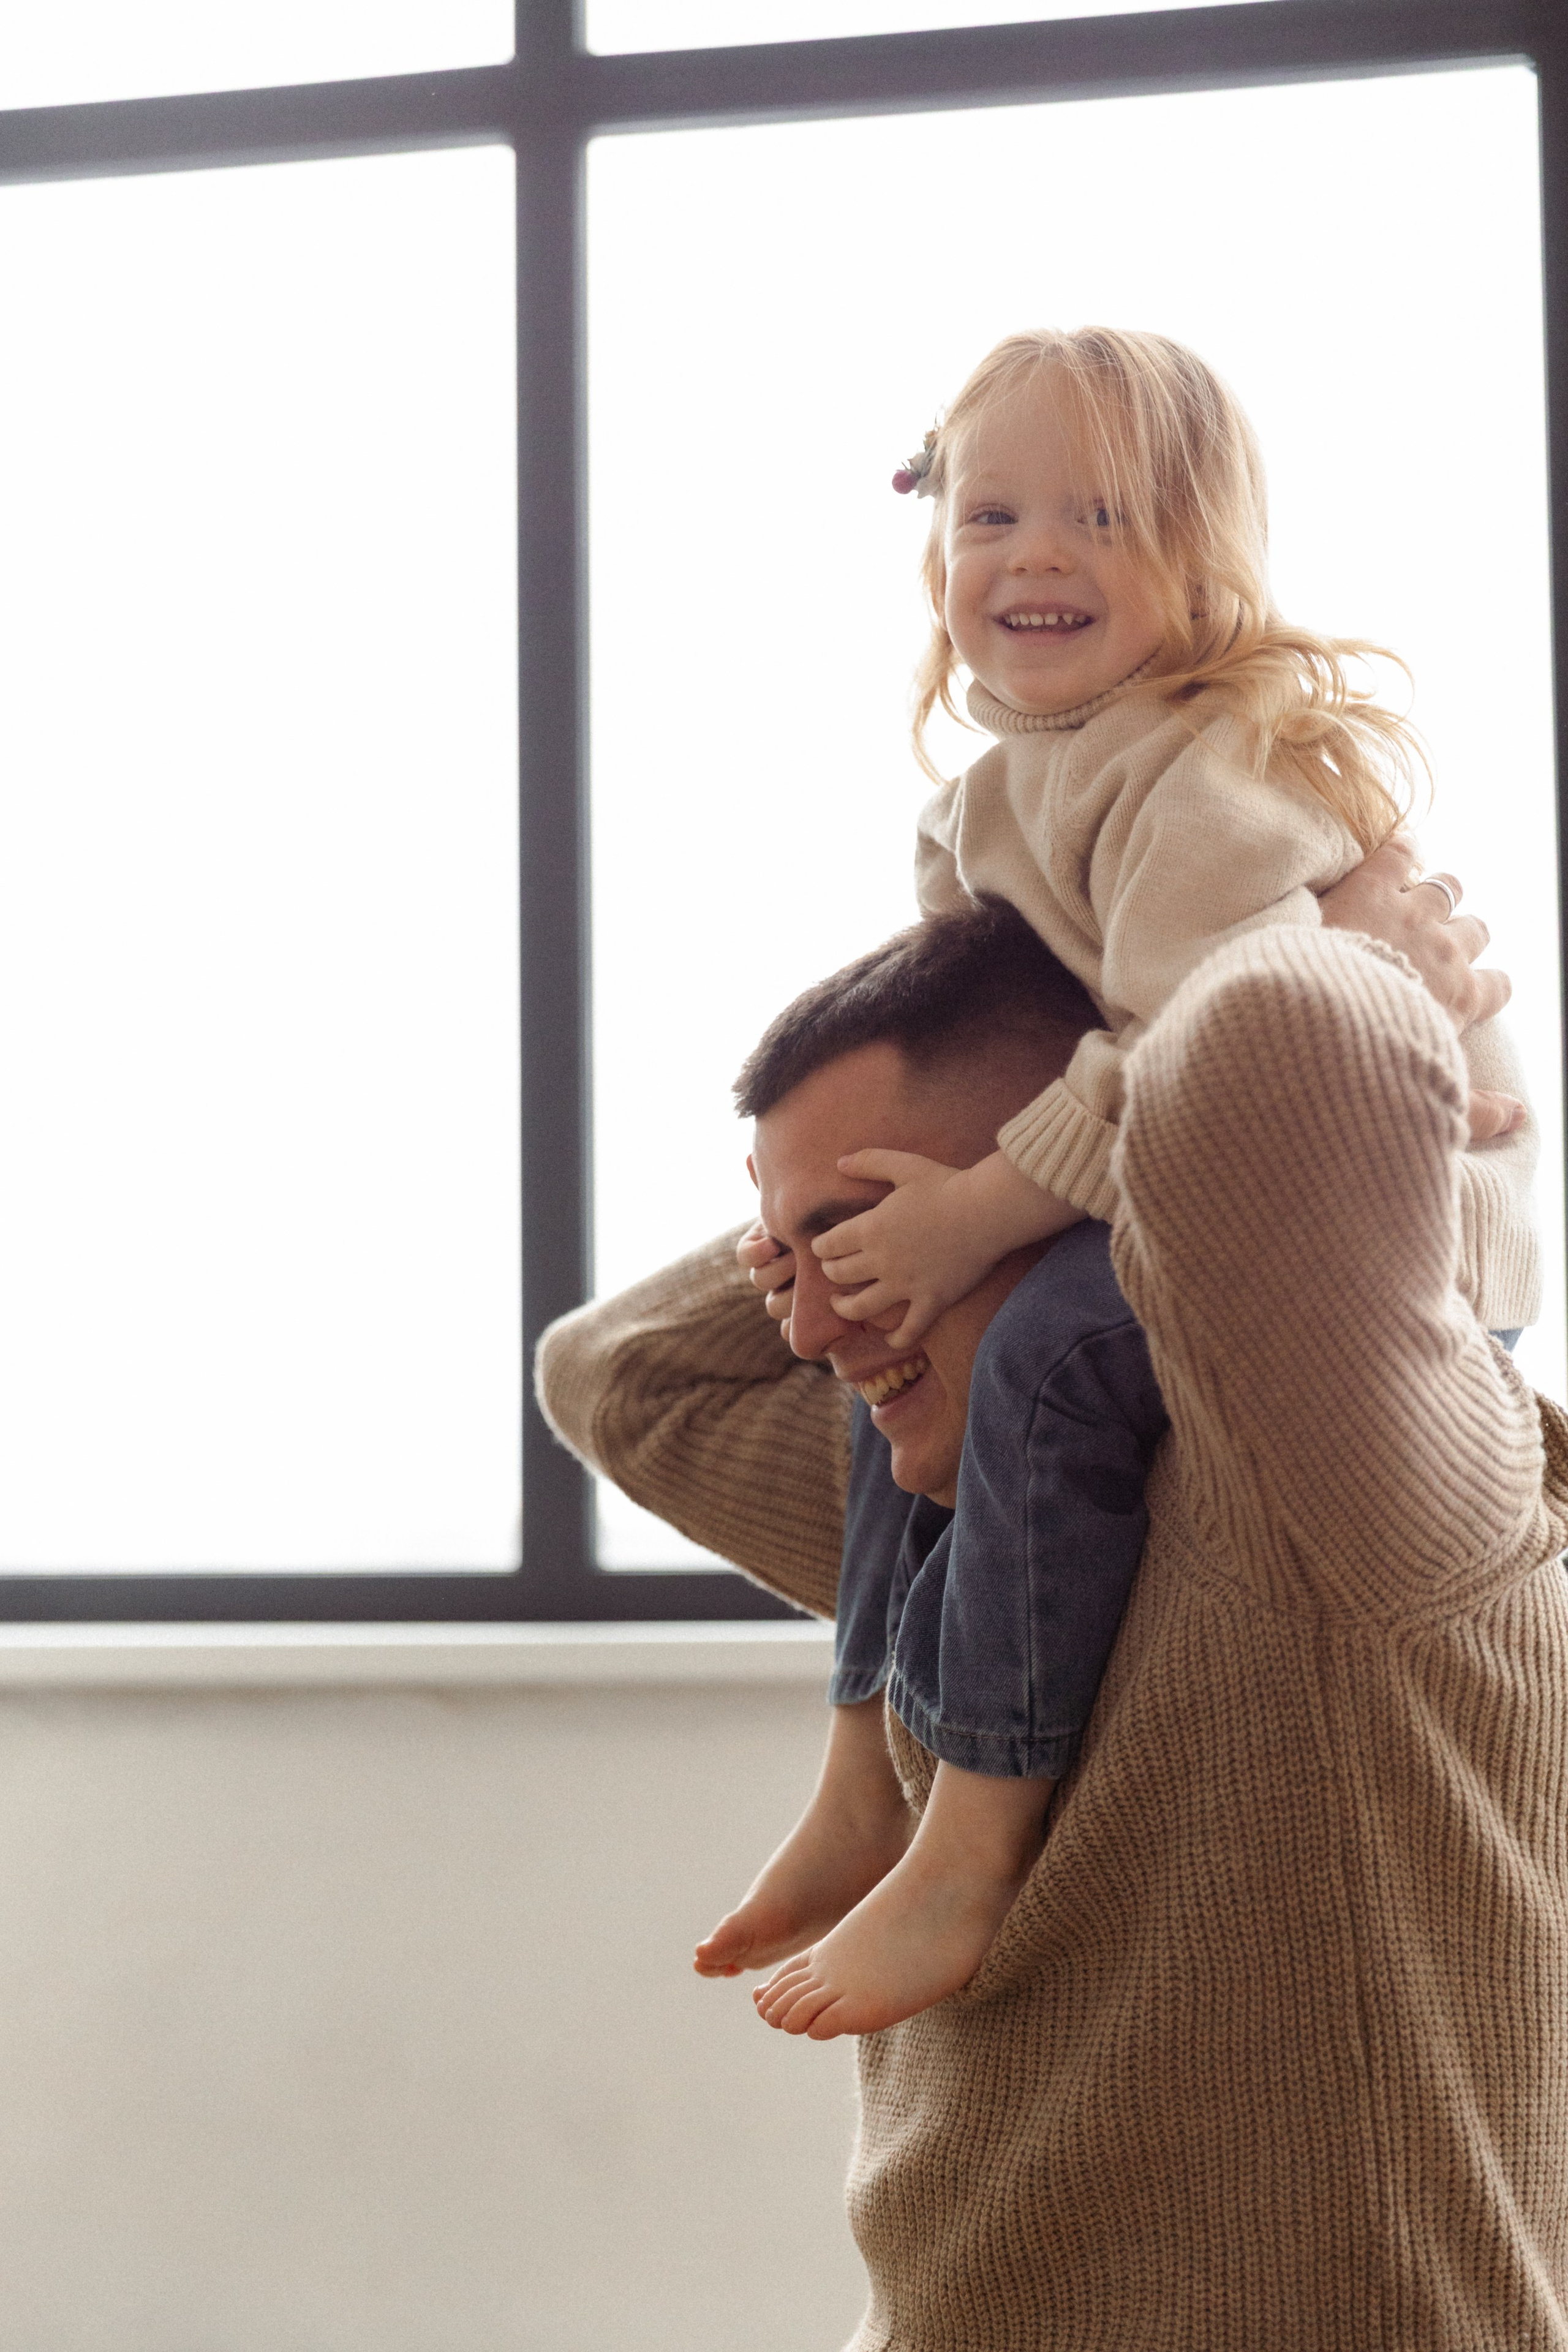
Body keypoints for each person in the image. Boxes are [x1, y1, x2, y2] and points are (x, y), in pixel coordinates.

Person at [537, 890, 1568, 2350]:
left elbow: (1289, 1038)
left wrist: (1315, 946)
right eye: (787, 1266)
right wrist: (872, 1223)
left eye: (858, 1241)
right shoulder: (991, 1523)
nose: (814, 1332)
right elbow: (617, 1376)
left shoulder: (1332, 1498)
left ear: (1072, 1185)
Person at [735, 326, 1540, 2032]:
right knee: (913, 1333)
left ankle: (971, 1842)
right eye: (989, 516)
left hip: (1377, 1225)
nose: (1032, 556)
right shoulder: (979, 813)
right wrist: (888, 1234)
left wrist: (967, 1216)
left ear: (1205, 554)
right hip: (1143, 1180)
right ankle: (858, 1770)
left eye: (1099, 517)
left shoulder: (1215, 764)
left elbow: (1198, 1049)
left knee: (1034, 1346)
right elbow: (992, 1059)